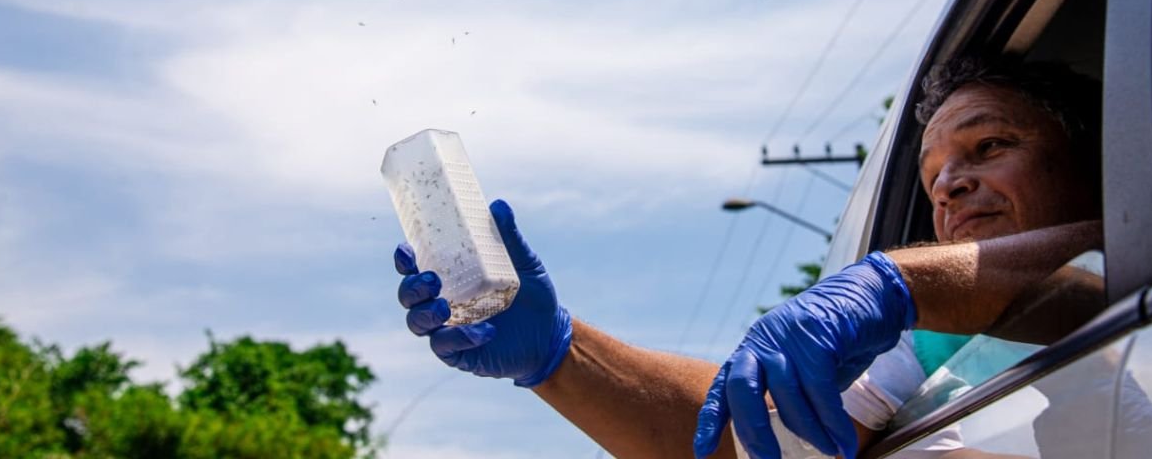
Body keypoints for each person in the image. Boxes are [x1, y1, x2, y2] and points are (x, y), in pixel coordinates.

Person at [392, 57, 1105, 458]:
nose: (950, 185)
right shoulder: (923, 345)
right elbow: (748, 444)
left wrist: (900, 278)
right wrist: (561, 356)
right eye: (933, 176)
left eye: (989, 147)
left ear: (1105, 160)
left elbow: (1111, 263)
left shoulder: (923, 302)